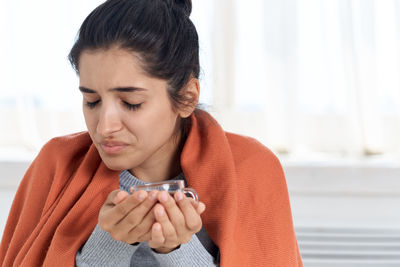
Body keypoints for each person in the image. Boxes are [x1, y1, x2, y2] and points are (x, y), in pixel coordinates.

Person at [0, 0, 303, 266]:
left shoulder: (251, 169)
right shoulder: (57, 165)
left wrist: (176, 249)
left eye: (131, 103)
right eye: (91, 101)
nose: (104, 126)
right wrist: (112, 241)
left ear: (186, 96)